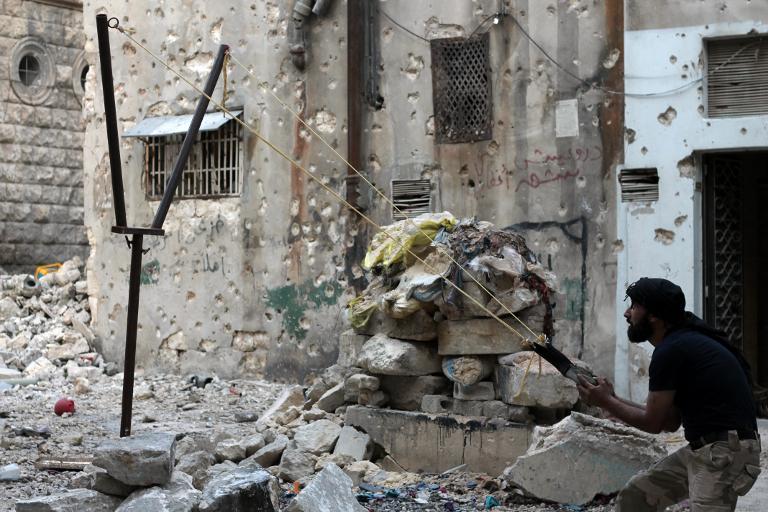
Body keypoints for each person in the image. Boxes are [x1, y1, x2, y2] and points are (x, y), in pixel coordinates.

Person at [577, 277, 761, 511]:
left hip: (723, 453)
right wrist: (612, 398)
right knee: (636, 498)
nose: (626, 313)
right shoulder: (681, 344)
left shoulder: (672, 350)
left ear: (653, 315)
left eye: (634, 306)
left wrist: (605, 401)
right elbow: (669, 422)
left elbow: (652, 423)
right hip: (706, 450)